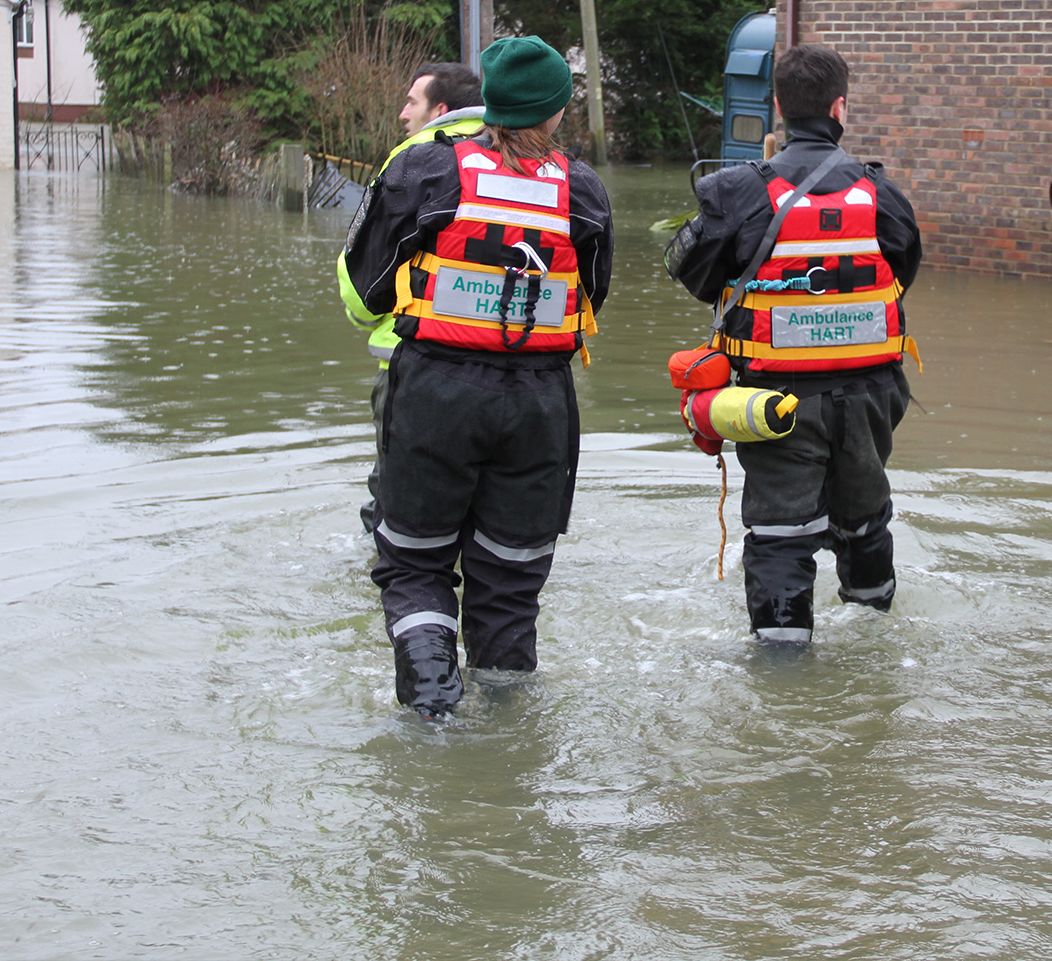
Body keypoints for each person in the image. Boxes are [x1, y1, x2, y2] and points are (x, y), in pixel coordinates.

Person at [343, 37, 613, 717]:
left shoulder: (425, 172)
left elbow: (368, 288)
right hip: (539, 405)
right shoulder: (583, 190)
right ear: (556, 113)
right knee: (510, 584)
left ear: (488, 101)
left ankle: (430, 720)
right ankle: (507, 734)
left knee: (414, 566)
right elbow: (590, 299)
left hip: (435, 393)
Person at [666, 44, 921, 644]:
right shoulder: (882, 195)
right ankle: (873, 637)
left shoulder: (738, 190)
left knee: (780, 536)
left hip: (775, 401)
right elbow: (902, 272)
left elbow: (694, 274)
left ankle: (783, 670)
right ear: (841, 109)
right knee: (865, 523)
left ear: (778, 107)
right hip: (870, 397)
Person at [336, 63, 487, 535]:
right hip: (507, 373)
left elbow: (361, 274)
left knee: (396, 507)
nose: (403, 113)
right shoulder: (521, 155)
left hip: (411, 362)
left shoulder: (411, 161)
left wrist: (363, 316)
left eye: (411, 102)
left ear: (440, 110)